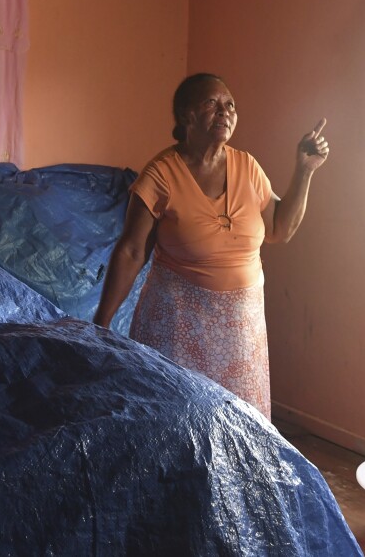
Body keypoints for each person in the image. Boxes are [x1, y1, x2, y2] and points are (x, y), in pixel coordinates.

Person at [92, 73, 329, 418]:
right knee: (178, 421)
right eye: (212, 103)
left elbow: (280, 229)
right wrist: (102, 323)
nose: (225, 111)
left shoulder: (248, 167)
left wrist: (304, 171)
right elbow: (131, 251)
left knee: (238, 425)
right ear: (187, 115)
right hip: (177, 327)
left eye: (230, 104)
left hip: (241, 333)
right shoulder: (160, 175)